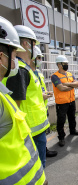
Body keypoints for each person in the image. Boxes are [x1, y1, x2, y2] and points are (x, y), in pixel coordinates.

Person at [0, 16, 47, 185]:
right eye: (34, 44)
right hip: (30, 133)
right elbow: (15, 108)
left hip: (35, 130)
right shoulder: (19, 71)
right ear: (27, 44)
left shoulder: (23, 69)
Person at [51, 55, 78, 147]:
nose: (66, 65)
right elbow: (61, 88)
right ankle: (61, 137)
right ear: (59, 65)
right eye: (65, 64)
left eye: (67, 64)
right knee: (61, 120)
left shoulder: (70, 74)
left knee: (72, 117)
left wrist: (66, 84)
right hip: (62, 102)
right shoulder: (54, 76)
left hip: (71, 100)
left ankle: (73, 130)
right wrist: (72, 85)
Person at [35, 46, 58, 157]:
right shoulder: (25, 72)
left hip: (43, 107)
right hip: (35, 110)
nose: (40, 60)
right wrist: (42, 96)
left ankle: (44, 150)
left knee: (43, 135)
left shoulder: (38, 73)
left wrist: (46, 93)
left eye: (40, 58)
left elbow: (40, 89)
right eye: (38, 57)